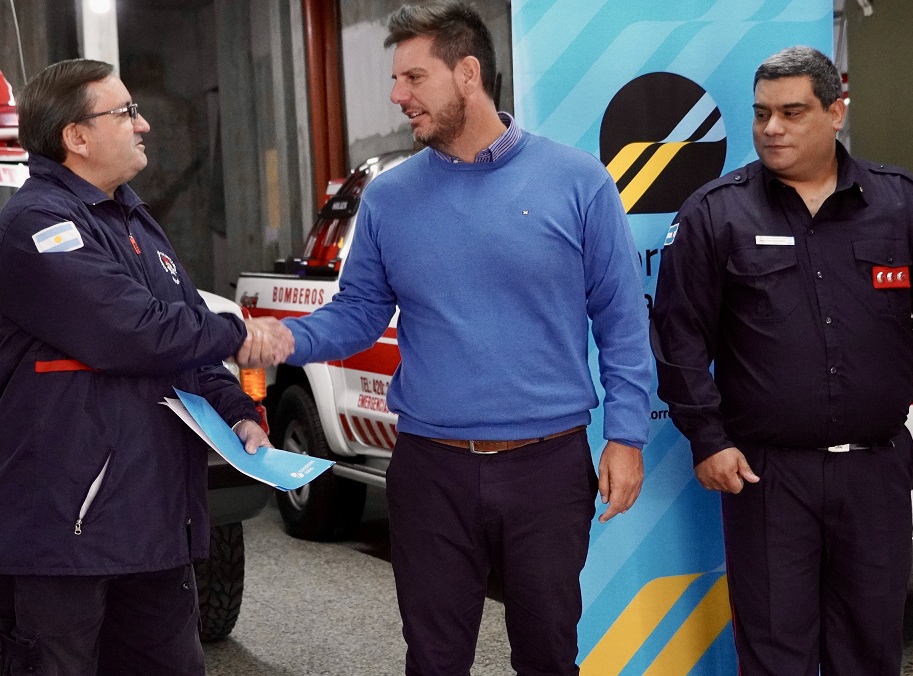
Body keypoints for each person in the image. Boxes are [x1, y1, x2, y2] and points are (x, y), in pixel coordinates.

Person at [260, 3, 652, 673]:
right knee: (435, 659)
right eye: (396, 78)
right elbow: (357, 313)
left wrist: (626, 436)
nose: (396, 95)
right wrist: (282, 342)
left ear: (468, 73)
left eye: (414, 77)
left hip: (547, 467)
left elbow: (621, 320)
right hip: (430, 468)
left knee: (549, 653)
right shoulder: (388, 197)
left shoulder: (578, 182)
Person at [651, 46, 913, 675]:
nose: (771, 129)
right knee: (776, 652)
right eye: (761, 114)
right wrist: (708, 438)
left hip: (876, 473)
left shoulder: (903, 203)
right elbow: (679, 337)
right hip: (765, 476)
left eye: (792, 112)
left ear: (836, 112)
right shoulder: (715, 212)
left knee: (869, 648)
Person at [0, 59, 286, 675]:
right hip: (70, 533)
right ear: (77, 136)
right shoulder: (39, 226)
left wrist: (237, 411)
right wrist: (241, 333)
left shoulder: (134, 220)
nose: (142, 124)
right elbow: (133, 331)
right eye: (124, 112)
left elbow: (181, 339)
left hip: (152, 527)